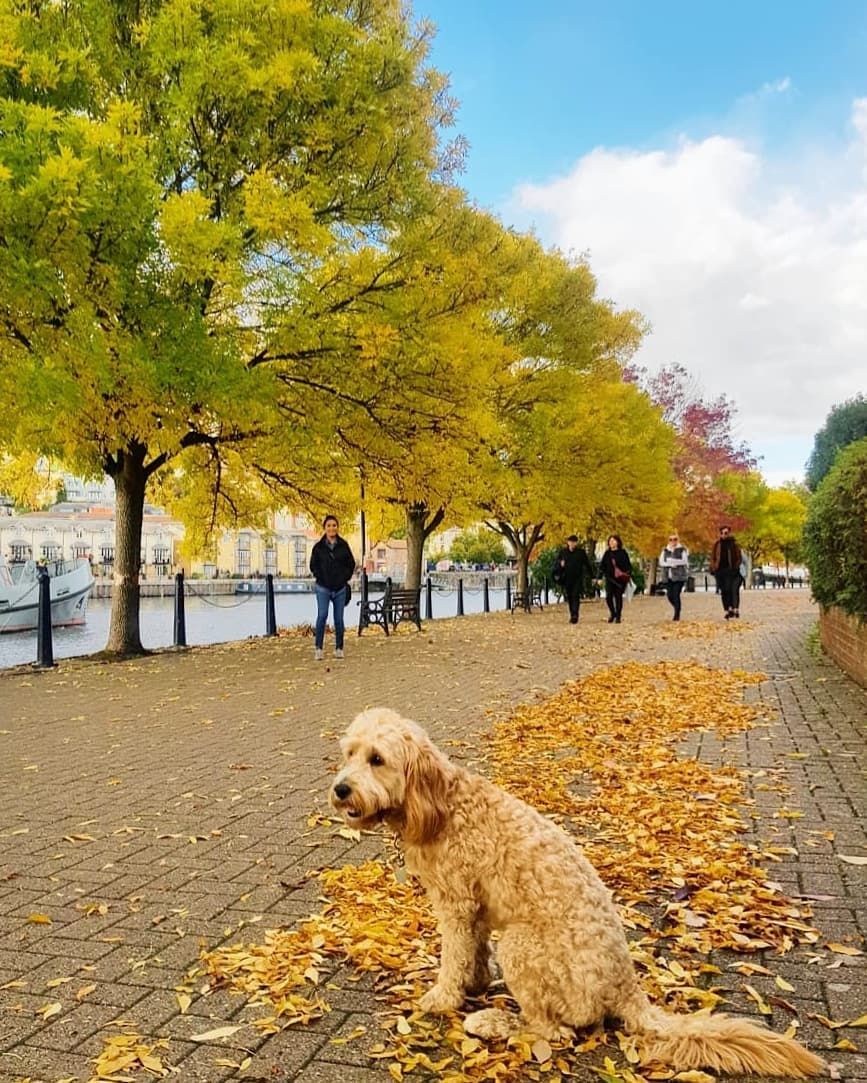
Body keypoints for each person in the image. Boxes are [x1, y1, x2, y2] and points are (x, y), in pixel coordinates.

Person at [310, 515, 356, 659]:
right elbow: (313, 565)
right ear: (325, 528)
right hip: (323, 587)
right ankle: (318, 648)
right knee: (322, 615)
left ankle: (339, 648)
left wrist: (344, 577)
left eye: (334, 525)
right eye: (329, 525)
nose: (331, 528)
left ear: (337, 527)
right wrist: (320, 576)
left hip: (339, 587)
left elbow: (351, 564)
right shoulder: (318, 547)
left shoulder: (344, 545)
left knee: (339, 619)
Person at [553, 535, 592, 623]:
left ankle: (575, 615)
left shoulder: (580, 553)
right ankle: (572, 614)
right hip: (567, 578)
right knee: (570, 597)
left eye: (574, 542)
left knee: (575, 595)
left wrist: (592, 576)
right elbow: (556, 564)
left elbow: (587, 564)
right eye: (570, 542)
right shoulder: (563, 552)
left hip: (577, 578)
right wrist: (560, 565)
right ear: (568, 542)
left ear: (576, 543)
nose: (572, 544)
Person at [709, 524, 743, 619]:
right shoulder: (717, 545)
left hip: (731, 571)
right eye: (722, 533)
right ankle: (727, 609)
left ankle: (734, 608)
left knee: (732, 589)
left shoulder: (734, 544)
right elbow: (713, 557)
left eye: (726, 533)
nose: (724, 535)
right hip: (720, 571)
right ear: (720, 534)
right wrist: (714, 566)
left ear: (729, 533)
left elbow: (739, 557)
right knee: (724, 591)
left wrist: (736, 566)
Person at [598, 534, 632, 624]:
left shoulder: (623, 553)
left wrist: (626, 575)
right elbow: (602, 566)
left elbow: (628, 566)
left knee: (618, 597)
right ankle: (613, 613)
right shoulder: (607, 554)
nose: (611, 542)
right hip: (609, 579)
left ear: (618, 542)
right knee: (608, 597)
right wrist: (599, 578)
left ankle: (618, 616)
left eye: (613, 541)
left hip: (620, 579)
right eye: (610, 541)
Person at [658, 532, 689, 622]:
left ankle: (677, 614)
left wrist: (674, 562)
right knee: (669, 595)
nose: (673, 541)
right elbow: (661, 562)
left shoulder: (682, 549)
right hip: (668, 577)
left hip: (679, 577)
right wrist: (670, 564)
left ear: (678, 540)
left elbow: (684, 561)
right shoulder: (665, 550)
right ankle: (677, 607)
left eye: (675, 539)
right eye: (671, 539)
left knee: (676, 594)